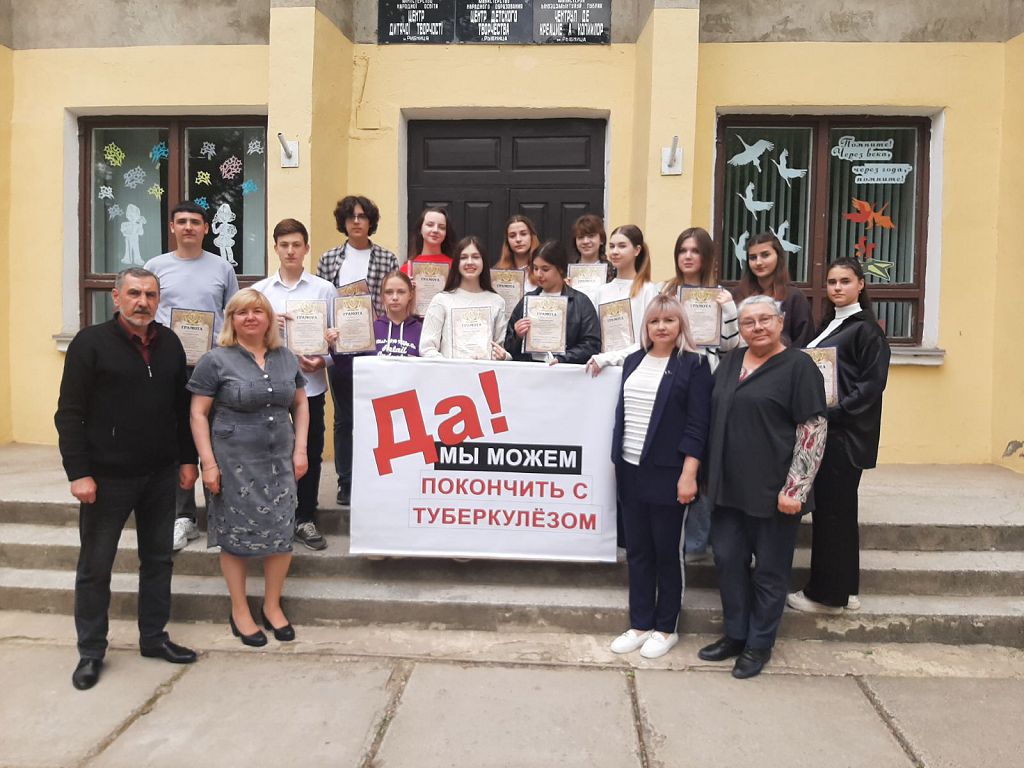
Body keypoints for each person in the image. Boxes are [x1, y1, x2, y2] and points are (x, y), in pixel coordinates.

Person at [55, 267, 199, 691]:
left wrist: (186, 460)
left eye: (150, 295)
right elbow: (70, 413)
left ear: (159, 300)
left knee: (158, 560)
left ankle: (153, 637)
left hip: (160, 475)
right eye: (134, 293)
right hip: (106, 478)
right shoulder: (90, 343)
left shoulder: (170, 343)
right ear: (116, 297)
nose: (143, 302)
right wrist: (78, 472)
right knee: (96, 566)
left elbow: (181, 409)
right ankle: (91, 651)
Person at [698, 295, 827, 678]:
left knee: (770, 572)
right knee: (728, 564)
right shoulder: (731, 361)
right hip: (727, 489)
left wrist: (796, 488)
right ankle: (735, 635)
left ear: (780, 321)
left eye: (764, 319)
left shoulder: (799, 367)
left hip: (775, 492)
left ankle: (759, 644)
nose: (757, 327)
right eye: (748, 321)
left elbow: (813, 429)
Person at [188, 289, 309, 647]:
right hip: (233, 463)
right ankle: (240, 610)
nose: (251, 317)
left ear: (269, 318)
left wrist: (300, 450)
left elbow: (301, 405)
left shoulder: (286, 357)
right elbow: (197, 414)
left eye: (258, 311)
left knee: (281, 533)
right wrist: (208, 464)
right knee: (235, 536)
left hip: (280, 460)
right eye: (242, 312)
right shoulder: (215, 360)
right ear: (232, 320)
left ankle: (272, 606)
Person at [606, 294, 712, 659]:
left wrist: (689, 474)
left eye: (669, 320)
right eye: (654, 321)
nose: (661, 327)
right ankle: (639, 624)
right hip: (630, 468)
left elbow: (698, 426)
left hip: (670, 474)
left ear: (681, 324)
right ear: (646, 326)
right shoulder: (634, 360)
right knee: (637, 551)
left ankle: (666, 628)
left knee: (667, 552)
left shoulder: (694, 365)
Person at [788, 258, 890, 615]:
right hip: (826, 432)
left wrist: (834, 411)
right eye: (832, 282)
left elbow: (871, 387)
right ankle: (846, 590)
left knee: (833, 515)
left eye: (845, 281)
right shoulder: (832, 324)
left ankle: (826, 597)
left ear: (861, 284)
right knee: (839, 514)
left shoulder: (867, 330)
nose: (837, 287)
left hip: (843, 436)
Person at [144, 201, 239, 551]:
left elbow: (233, 316)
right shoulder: (155, 267)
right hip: (168, 366)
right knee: (176, 439)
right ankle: (182, 517)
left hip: (213, 366)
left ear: (206, 228)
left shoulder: (222, 268)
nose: (188, 227)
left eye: (195, 222)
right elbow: (146, 314)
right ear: (172, 227)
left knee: (216, 438)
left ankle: (221, 514)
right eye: (181, 221)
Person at [251, 219, 337, 551]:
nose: (290, 251)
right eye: (284, 245)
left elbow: (339, 341)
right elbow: (245, 342)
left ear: (306, 248)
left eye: (296, 245)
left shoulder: (323, 290)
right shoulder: (260, 292)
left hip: (310, 386)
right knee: (269, 451)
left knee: (309, 452)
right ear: (275, 248)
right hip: (269, 388)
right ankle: (272, 515)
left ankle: (305, 517)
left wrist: (323, 361)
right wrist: (268, 328)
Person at [660, 227, 739, 564]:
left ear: (706, 257)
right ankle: (669, 534)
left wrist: (730, 311)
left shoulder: (721, 295)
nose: (688, 256)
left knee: (701, 457)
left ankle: (695, 542)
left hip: (707, 377)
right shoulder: (666, 291)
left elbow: (732, 347)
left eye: (694, 251)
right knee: (670, 453)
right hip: (669, 375)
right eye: (683, 250)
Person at [317, 195, 400, 506]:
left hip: (376, 348)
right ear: (343, 221)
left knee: (377, 416)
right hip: (340, 349)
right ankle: (347, 482)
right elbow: (321, 303)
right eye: (351, 216)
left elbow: (395, 299)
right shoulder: (329, 259)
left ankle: (376, 477)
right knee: (344, 419)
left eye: (362, 216)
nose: (356, 221)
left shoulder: (387, 258)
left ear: (370, 222)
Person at [504, 240, 601, 364]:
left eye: (545, 269)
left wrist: (562, 359)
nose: (538, 274)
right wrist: (517, 336)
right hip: (531, 369)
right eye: (535, 268)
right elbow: (508, 348)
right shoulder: (527, 300)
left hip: (565, 371)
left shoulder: (580, 302)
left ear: (560, 269)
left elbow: (591, 344)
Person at [421, 236, 510, 360]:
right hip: (451, 372)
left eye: (475, 257)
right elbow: (427, 348)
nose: (469, 262)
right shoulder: (441, 300)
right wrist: (449, 366)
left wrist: (503, 356)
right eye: (463, 257)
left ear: (483, 261)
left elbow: (501, 347)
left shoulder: (497, 301)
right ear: (457, 263)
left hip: (486, 371)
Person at [587, 224, 661, 370]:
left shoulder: (648, 289)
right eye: (612, 246)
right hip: (603, 369)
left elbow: (648, 339)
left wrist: (610, 358)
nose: (615, 251)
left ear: (637, 250)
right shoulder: (601, 291)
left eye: (622, 246)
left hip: (636, 368)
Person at [732, 232, 813, 347]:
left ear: (778, 257)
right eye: (753, 257)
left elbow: (804, 341)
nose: (758, 262)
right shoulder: (738, 294)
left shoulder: (794, 297)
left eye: (765, 255)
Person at [328, 270, 423, 359]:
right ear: (382, 296)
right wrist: (334, 346)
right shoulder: (369, 330)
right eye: (389, 292)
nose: (395, 297)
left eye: (401, 292)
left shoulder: (421, 331)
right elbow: (352, 367)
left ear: (410, 295)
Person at [401, 207, 456, 275]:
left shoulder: (455, 267)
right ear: (420, 229)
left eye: (442, 227)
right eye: (430, 225)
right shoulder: (407, 268)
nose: (435, 230)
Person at [495, 214, 540, 289]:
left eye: (523, 234)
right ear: (507, 241)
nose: (518, 239)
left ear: (531, 237)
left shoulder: (543, 270)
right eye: (512, 236)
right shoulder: (498, 272)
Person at [570, 213, 615, 278]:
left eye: (591, 236)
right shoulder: (567, 270)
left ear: (601, 239)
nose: (585, 241)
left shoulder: (613, 271)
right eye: (580, 237)